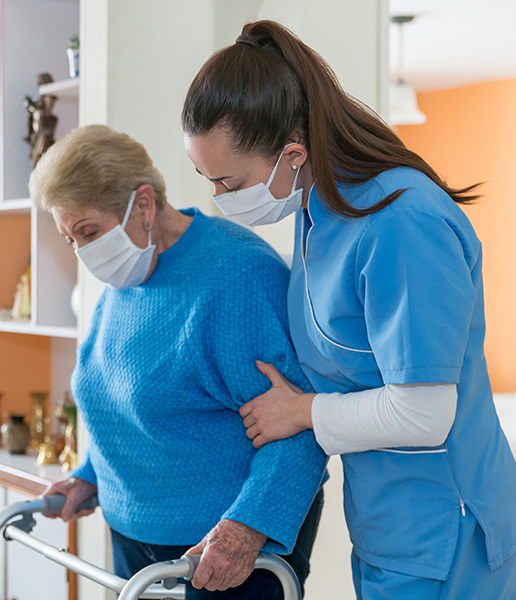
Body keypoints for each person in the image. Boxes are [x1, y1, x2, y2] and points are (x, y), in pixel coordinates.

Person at [181, 19, 516, 600]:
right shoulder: (319, 208)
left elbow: (425, 413)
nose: (220, 200)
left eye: (230, 183)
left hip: (447, 529)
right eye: (207, 181)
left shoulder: (403, 223)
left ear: (292, 154)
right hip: (386, 525)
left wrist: (303, 411)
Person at [30, 124, 327, 599]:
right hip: (134, 544)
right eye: (70, 239)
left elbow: (299, 429)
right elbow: (126, 401)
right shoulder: (127, 280)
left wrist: (245, 530)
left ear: (143, 205)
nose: (83, 252)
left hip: (222, 555)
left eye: (88, 231)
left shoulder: (238, 275)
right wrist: (90, 476)